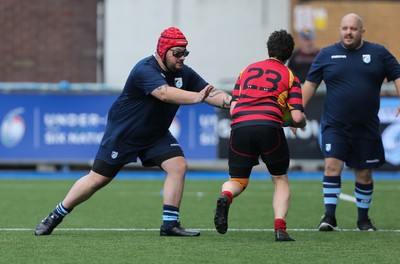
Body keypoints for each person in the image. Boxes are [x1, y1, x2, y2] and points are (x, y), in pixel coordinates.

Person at [34, 27, 231, 237]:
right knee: (97, 180)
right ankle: (55, 215)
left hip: (155, 133)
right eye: (177, 53)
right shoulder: (145, 69)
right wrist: (195, 98)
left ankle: (169, 225)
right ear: (163, 51)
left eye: (185, 53)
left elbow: (210, 93)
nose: (182, 57)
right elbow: (164, 94)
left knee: (178, 166)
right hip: (125, 133)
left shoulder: (183, 72)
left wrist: (233, 102)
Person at [301, 13, 400, 231]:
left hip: (366, 127)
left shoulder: (379, 53)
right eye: (345, 28)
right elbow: (309, 84)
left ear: (361, 31)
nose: (348, 32)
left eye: (353, 29)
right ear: (339, 30)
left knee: (364, 173)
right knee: (331, 165)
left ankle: (363, 220)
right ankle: (329, 217)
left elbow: (397, 74)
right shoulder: (327, 54)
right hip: (335, 125)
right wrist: (297, 111)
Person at [213, 29, 307, 242]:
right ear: (289, 54)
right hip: (268, 126)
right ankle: (280, 228)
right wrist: (297, 123)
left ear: (268, 49)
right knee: (280, 178)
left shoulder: (246, 71)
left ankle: (226, 196)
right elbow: (298, 117)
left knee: (237, 180)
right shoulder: (291, 76)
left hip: (240, 127)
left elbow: (234, 108)